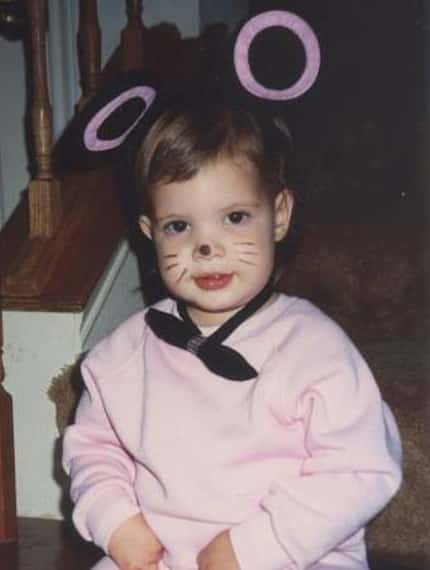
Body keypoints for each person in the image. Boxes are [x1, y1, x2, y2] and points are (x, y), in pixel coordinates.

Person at [62, 101, 402, 570]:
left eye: (235, 217)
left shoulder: (316, 350)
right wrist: (114, 517)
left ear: (278, 213)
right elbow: (93, 448)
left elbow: (360, 469)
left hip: (293, 556)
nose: (206, 247)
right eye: (179, 226)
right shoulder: (122, 353)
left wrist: (251, 549)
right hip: (163, 555)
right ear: (150, 233)